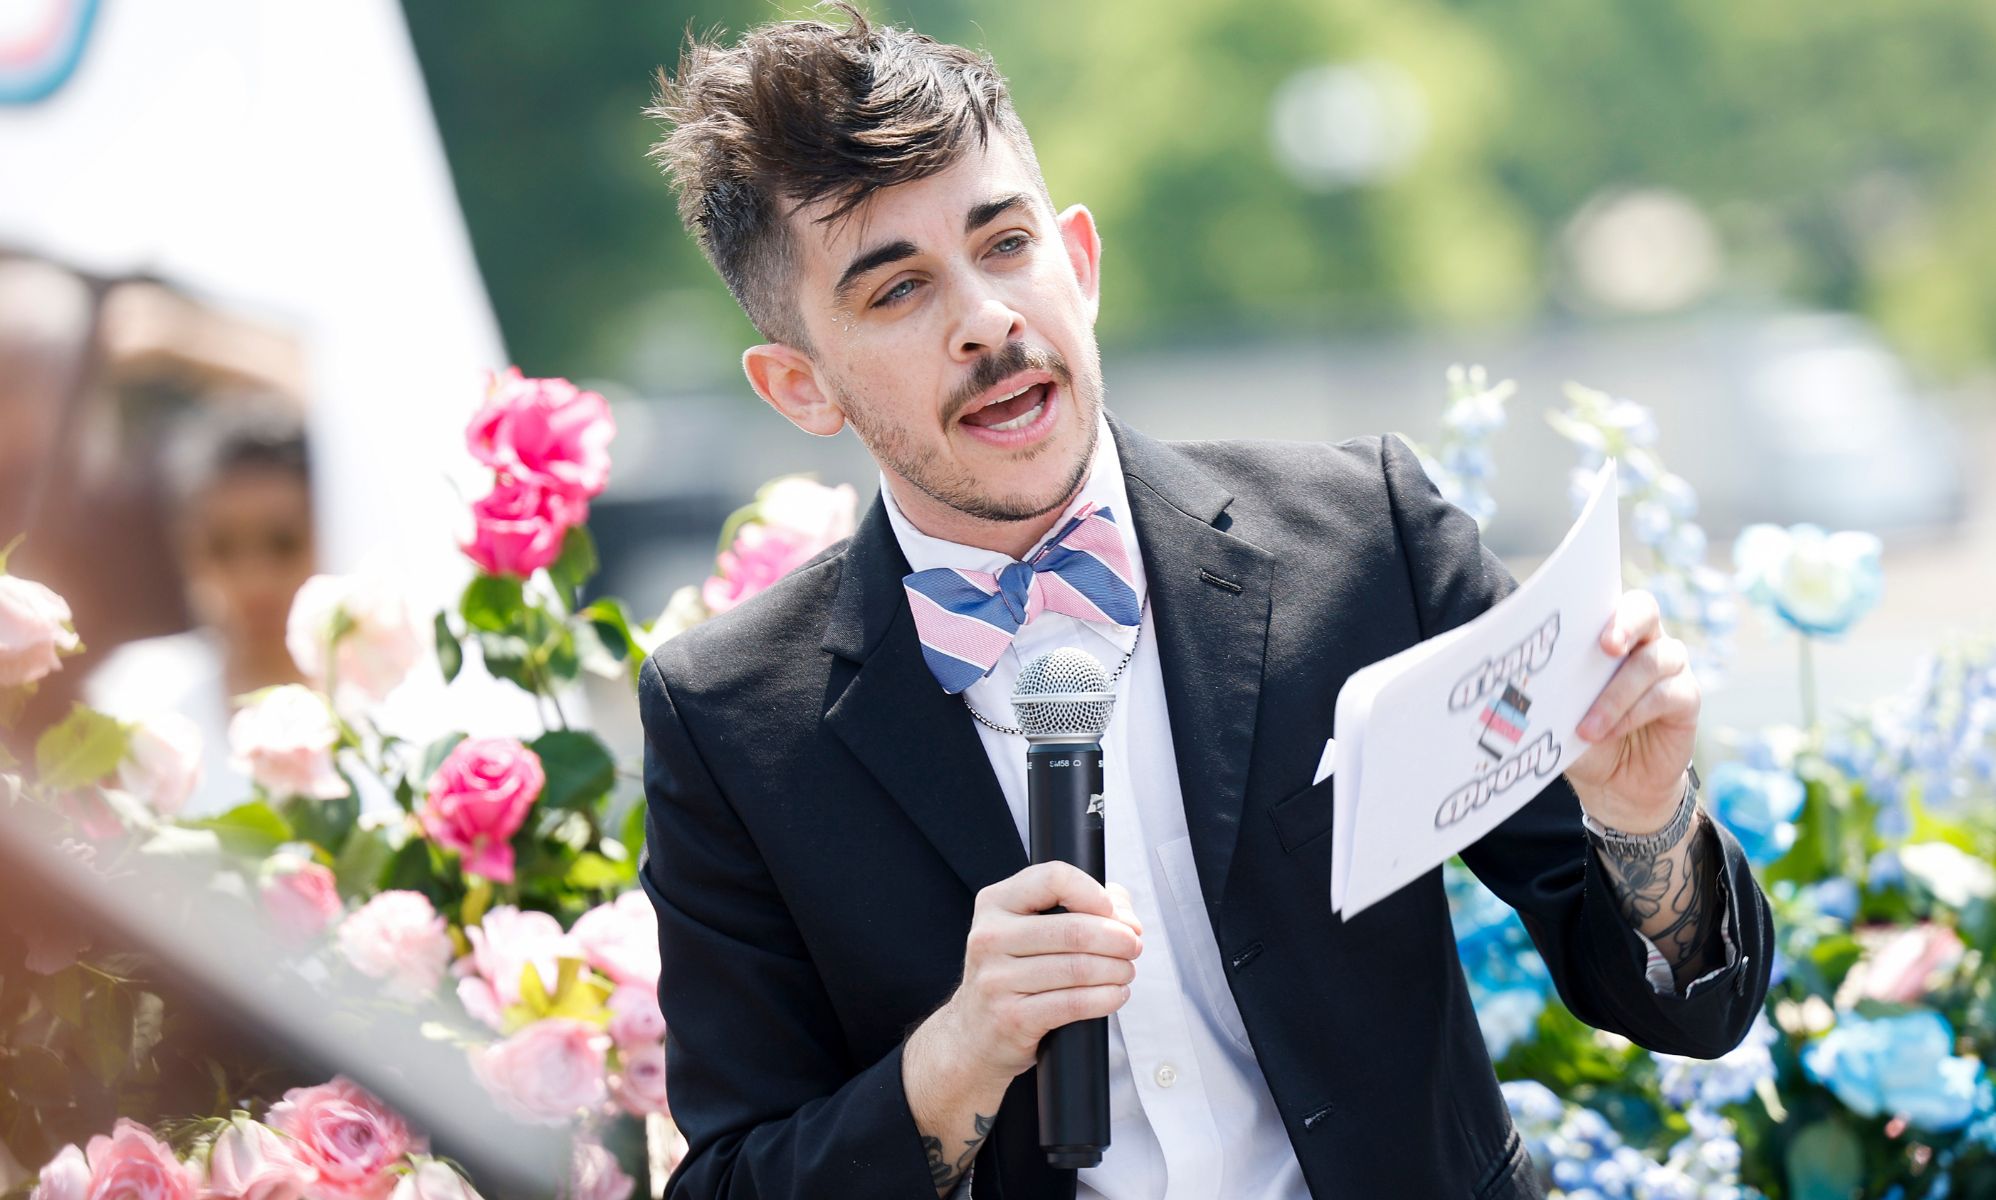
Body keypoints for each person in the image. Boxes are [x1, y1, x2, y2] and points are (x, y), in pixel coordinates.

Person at [634, 8, 1773, 1198]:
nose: (986, 318)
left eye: (1005, 243)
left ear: (1078, 260)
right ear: (798, 386)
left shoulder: (1362, 537)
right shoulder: (727, 721)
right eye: (898, 291)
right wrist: (954, 1058)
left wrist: (1644, 827)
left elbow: (1692, 1010)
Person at [85, 402, 318, 818]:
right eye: (220, 547)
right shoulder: (133, 696)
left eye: (283, 543)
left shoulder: (392, 721)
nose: (254, 582)